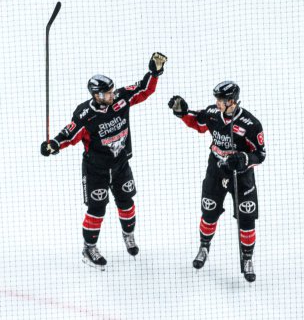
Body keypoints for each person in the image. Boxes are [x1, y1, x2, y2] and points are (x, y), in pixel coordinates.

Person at [41, 52, 167, 269]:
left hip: (120, 165)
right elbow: (68, 134)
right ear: (96, 95)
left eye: (112, 91)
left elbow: (144, 90)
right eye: (107, 93)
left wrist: (154, 72)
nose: (112, 95)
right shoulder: (85, 114)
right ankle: (89, 248)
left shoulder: (120, 98)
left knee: (126, 203)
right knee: (96, 209)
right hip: (95, 170)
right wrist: (53, 144)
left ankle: (128, 236)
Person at [168, 81, 266, 282]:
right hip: (216, 171)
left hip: (241, 176)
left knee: (246, 217)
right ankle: (204, 247)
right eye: (217, 99)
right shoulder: (213, 113)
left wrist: (244, 159)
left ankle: (247, 258)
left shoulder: (251, 123)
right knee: (209, 211)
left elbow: (260, 154)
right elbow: (198, 122)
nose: (217, 103)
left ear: (232, 101)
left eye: (221, 100)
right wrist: (182, 112)